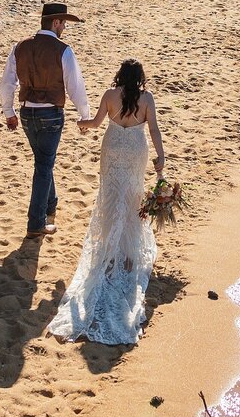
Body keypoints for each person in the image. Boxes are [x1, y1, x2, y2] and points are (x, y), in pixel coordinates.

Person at [47, 60, 165, 346]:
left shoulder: (110, 95)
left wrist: (82, 124)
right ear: (140, 78)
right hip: (136, 151)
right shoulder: (147, 99)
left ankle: (110, 254)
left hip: (112, 149)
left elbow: (97, 123)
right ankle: (127, 256)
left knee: (111, 198)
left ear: (120, 76)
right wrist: (161, 159)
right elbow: (154, 132)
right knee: (132, 197)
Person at [0, 2, 92, 238]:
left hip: (26, 112)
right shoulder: (63, 50)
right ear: (55, 22)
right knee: (43, 166)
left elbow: (8, 83)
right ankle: (35, 223)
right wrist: (85, 115)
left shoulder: (20, 47)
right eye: (63, 23)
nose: (64, 28)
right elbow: (75, 86)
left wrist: (9, 112)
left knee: (43, 161)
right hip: (50, 113)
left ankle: (51, 205)